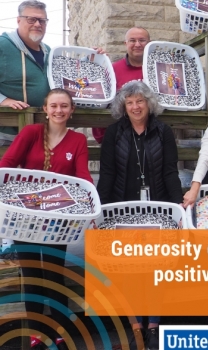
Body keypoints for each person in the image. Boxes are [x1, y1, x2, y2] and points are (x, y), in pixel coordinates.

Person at [0, 88, 91, 350]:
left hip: (57, 222)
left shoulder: (77, 141)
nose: (59, 111)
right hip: (24, 220)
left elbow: (82, 176)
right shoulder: (31, 133)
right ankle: (36, 335)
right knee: (30, 276)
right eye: (54, 106)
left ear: (71, 110)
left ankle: (60, 334)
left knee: (53, 275)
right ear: (45, 109)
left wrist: (88, 203)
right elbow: (7, 164)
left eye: (64, 106)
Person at [97, 81, 182, 350]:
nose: (135, 106)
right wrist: (101, 209)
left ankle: (154, 328)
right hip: (123, 209)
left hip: (157, 209)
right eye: (130, 102)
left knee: (155, 269)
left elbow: (170, 171)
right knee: (129, 271)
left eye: (140, 101)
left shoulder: (163, 131)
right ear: (124, 106)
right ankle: (136, 328)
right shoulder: (114, 133)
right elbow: (108, 172)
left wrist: (177, 206)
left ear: (149, 104)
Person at [0, 0, 51, 145]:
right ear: (18, 20)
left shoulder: (49, 51)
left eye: (42, 20)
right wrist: (3, 100)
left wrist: (92, 57)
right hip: (6, 134)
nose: (37, 24)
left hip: (40, 133)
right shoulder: (2, 46)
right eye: (31, 19)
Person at [92, 27, 151, 144]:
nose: (137, 44)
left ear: (149, 43)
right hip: (118, 139)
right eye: (132, 40)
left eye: (142, 40)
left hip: (151, 137)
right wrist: (96, 63)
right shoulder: (112, 70)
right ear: (126, 43)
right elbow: (96, 97)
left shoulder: (157, 69)